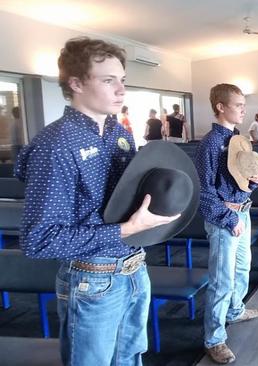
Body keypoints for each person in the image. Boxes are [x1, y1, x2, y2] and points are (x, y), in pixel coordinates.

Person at [15, 37, 179, 365]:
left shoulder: (119, 133)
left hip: (134, 268)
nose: (121, 90)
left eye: (123, 80)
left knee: (130, 359)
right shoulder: (56, 143)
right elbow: (38, 240)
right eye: (108, 80)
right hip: (93, 279)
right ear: (75, 83)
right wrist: (123, 231)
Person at [195, 83, 258, 364]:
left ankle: (235, 310)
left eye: (243, 104)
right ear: (220, 107)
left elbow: (240, 178)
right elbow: (204, 192)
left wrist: (253, 182)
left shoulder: (239, 139)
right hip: (225, 216)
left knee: (242, 268)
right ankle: (214, 338)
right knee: (222, 279)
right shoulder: (211, 143)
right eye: (237, 105)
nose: (243, 109)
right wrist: (228, 218)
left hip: (242, 212)